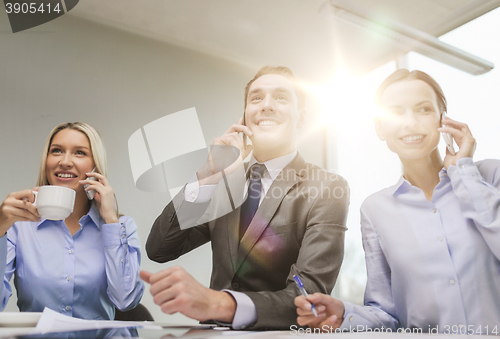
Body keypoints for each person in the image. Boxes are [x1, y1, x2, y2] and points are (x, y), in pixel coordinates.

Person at [141, 66, 350, 330]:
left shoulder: (327, 187)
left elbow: (307, 295)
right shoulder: (223, 183)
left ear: (301, 118)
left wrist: (217, 303)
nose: (266, 106)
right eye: (256, 98)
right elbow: (160, 249)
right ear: (245, 117)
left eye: (281, 98)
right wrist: (207, 176)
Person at [295, 69, 500, 334]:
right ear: (380, 128)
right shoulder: (374, 210)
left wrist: (463, 171)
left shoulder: (489, 176)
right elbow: (387, 315)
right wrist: (345, 313)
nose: (410, 122)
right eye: (395, 113)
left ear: (443, 119)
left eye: (423, 109)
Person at [0, 122, 144, 320]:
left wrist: (111, 220)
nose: (65, 162)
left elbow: (126, 300)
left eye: (80, 153)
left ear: (95, 165)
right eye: (57, 151)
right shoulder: (18, 227)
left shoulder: (121, 227)